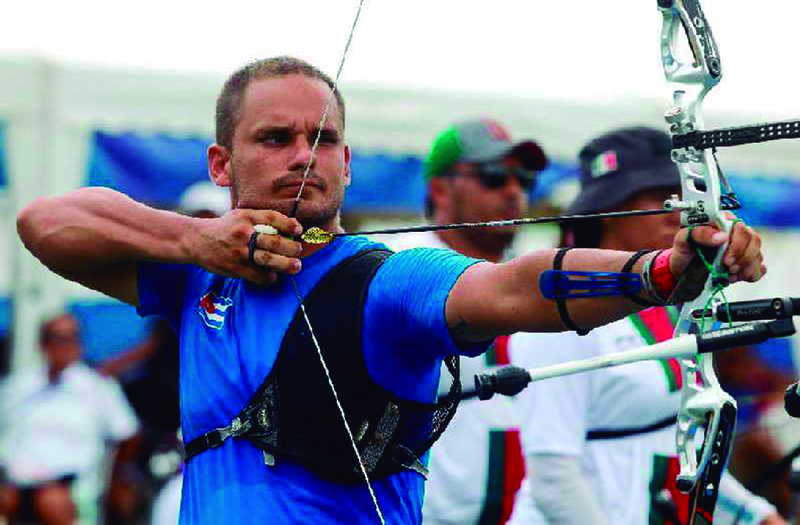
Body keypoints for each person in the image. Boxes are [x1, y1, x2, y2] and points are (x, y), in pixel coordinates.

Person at [15, 57, 766, 525]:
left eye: (325, 139)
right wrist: (197, 239)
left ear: (347, 161)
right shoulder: (194, 273)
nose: (305, 157)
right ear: (221, 162)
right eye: (275, 139)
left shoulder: (386, 277)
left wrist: (660, 273)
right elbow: (44, 221)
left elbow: (512, 285)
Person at [507, 127, 784, 525]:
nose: (680, 210)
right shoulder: (563, 312)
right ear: (608, 209)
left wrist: (756, 517)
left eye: (686, 195)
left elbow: (678, 455)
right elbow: (554, 480)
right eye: (660, 196)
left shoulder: (670, 309)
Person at [383, 118, 546, 524]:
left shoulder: (527, 279)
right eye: (493, 177)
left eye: (523, 180)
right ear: (439, 188)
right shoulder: (395, 265)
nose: (513, 192)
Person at [0, 312, 139, 525]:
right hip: (16, 490)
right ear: (43, 343)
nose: (65, 345)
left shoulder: (97, 387)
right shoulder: (19, 386)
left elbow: (127, 434)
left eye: (72, 337)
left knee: (51, 502)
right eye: (57, 338)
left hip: (70, 492)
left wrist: (115, 482)